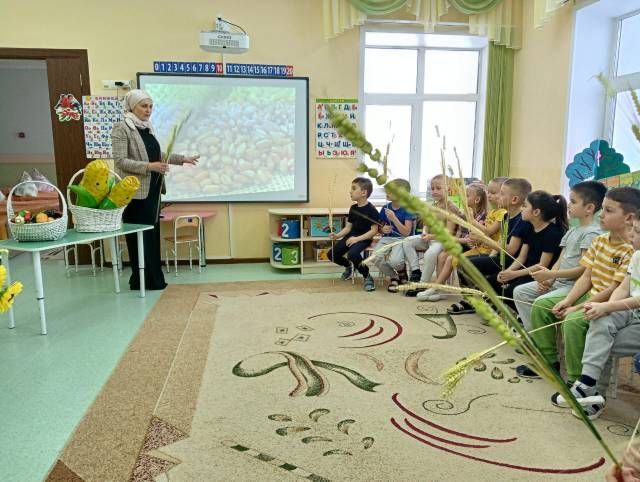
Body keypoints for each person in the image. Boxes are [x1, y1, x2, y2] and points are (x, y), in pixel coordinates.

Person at [525, 187, 640, 395]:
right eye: (602, 209)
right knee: (541, 305)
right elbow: (586, 277)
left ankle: (578, 379)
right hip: (592, 296)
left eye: (608, 210)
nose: (601, 214)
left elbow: (614, 288)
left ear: (628, 218)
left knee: (573, 321)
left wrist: (577, 308)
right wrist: (568, 301)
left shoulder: (630, 249)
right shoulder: (600, 241)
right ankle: (549, 361)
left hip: (605, 300)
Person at [551, 210, 640, 420]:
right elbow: (623, 290)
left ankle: (591, 393)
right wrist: (605, 308)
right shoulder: (636, 255)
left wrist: (607, 307)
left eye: (636, 232)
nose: (631, 236)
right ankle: (588, 386)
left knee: (602, 341)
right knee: (600, 322)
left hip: (636, 315)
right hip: (629, 310)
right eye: (632, 230)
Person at [513, 180, 605, 377]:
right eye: (570, 201)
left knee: (539, 303)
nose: (569, 205)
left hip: (573, 286)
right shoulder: (573, 230)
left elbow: (582, 270)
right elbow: (560, 261)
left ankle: (548, 358)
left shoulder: (592, 233)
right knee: (520, 291)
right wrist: (548, 280)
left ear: (589, 208)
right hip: (559, 282)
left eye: (573, 202)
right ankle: (537, 339)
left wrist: (551, 275)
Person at [111, 89, 199, 290]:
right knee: (139, 236)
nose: (148, 110)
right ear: (132, 106)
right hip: (135, 193)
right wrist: (149, 167)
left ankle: (153, 279)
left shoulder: (146, 128)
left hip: (152, 190)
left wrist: (182, 159)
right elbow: (120, 161)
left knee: (151, 235)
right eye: (144, 106)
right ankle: (141, 279)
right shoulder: (121, 128)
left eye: (150, 106)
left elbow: (157, 154)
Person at [448, 177, 532, 314]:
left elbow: (511, 250)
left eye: (502, 194)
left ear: (514, 200)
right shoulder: (506, 217)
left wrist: (484, 240)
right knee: (463, 262)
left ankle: (478, 300)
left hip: (512, 260)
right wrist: (490, 256)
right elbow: (501, 242)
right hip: (500, 257)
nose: (496, 197)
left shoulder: (521, 220)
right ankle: (472, 299)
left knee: (468, 264)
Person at [493, 190, 567, 308]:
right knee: (495, 280)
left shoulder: (553, 233)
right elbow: (521, 258)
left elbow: (542, 265)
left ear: (536, 212)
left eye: (525, 206)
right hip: (526, 269)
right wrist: (508, 272)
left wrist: (515, 274)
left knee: (509, 291)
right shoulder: (530, 228)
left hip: (539, 274)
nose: (522, 209)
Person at [417, 182, 488, 301]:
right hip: (462, 244)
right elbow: (461, 234)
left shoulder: (482, 216)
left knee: (449, 258)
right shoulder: (464, 213)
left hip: (473, 247)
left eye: (467, 196)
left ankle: (434, 288)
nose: (463, 198)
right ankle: (440, 289)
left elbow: (477, 237)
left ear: (477, 200)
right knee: (442, 256)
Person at [402, 174, 461, 296]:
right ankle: (416, 271)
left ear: (448, 189)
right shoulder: (432, 206)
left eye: (438, 188)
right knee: (407, 241)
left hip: (441, 241)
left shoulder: (451, 208)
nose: (434, 191)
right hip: (429, 238)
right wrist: (424, 231)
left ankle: (423, 284)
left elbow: (448, 233)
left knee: (430, 254)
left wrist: (431, 236)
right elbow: (426, 224)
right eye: (432, 188)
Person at [328, 177, 379, 291]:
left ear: (364, 192)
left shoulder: (372, 210)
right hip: (351, 236)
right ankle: (349, 266)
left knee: (353, 254)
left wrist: (356, 239)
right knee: (331, 254)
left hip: (364, 238)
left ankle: (367, 276)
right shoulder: (353, 208)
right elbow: (348, 227)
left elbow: (373, 231)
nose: (350, 191)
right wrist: (337, 235)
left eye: (353, 188)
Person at [370, 179, 416, 293]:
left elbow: (406, 233)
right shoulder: (385, 207)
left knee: (395, 261)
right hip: (387, 238)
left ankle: (401, 270)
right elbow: (380, 228)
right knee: (375, 257)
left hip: (402, 239)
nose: (387, 193)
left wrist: (394, 218)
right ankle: (394, 276)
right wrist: (383, 229)